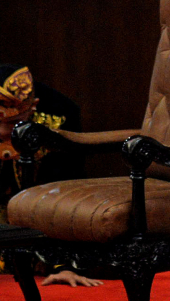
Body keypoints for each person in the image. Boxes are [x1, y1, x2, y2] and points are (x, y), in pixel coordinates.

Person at [0, 64, 102, 287]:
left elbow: (65, 190)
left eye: (11, 123)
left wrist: (64, 266)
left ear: (33, 108)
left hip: (35, 221)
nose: (2, 133)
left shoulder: (60, 117)